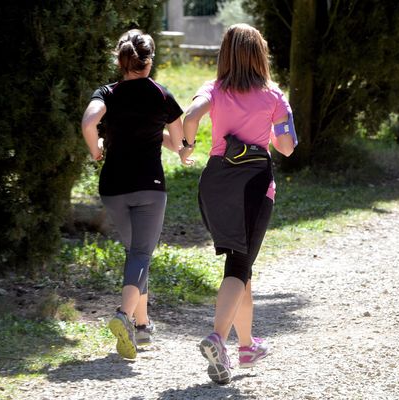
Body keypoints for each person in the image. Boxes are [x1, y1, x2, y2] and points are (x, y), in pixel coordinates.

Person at [182, 23, 297, 384]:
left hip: (215, 182)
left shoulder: (213, 89)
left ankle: (246, 345)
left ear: (226, 54)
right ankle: (218, 337)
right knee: (239, 264)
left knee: (240, 263)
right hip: (253, 184)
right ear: (260, 54)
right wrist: (279, 122)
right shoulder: (274, 96)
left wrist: (187, 145)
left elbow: (190, 117)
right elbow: (287, 147)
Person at [81, 29, 189, 359]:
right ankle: (123, 317)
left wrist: (96, 150)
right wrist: (185, 153)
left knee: (135, 254)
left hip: (113, 187)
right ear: (149, 61)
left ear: (120, 60)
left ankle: (142, 327)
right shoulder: (161, 95)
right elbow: (178, 140)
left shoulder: (108, 93)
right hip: (149, 187)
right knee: (141, 254)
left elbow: (89, 122)